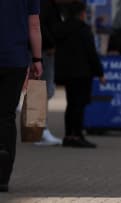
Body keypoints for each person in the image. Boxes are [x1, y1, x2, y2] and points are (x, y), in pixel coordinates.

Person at [0, 0, 43, 192]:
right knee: (6, 116)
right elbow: (33, 25)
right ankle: (2, 175)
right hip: (14, 60)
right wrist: (37, 59)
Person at [54, 2, 105, 148]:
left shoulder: (62, 29)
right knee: (80, 105)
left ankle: (68, 135)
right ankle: (77, 135)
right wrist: (100, 73)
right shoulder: (83, 29)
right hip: (82, 73)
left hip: (68, 73)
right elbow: (91, 53)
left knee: (71, 104)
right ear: (82, 13)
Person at [35, 0, 63, 146]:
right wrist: (50, 44)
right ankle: (39, 131)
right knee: (42, 90)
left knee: (43, 90)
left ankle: (38, 130)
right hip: (43, 51)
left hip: (42, 50)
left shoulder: (48, 5)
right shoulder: (45, 5)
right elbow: (39, 25)